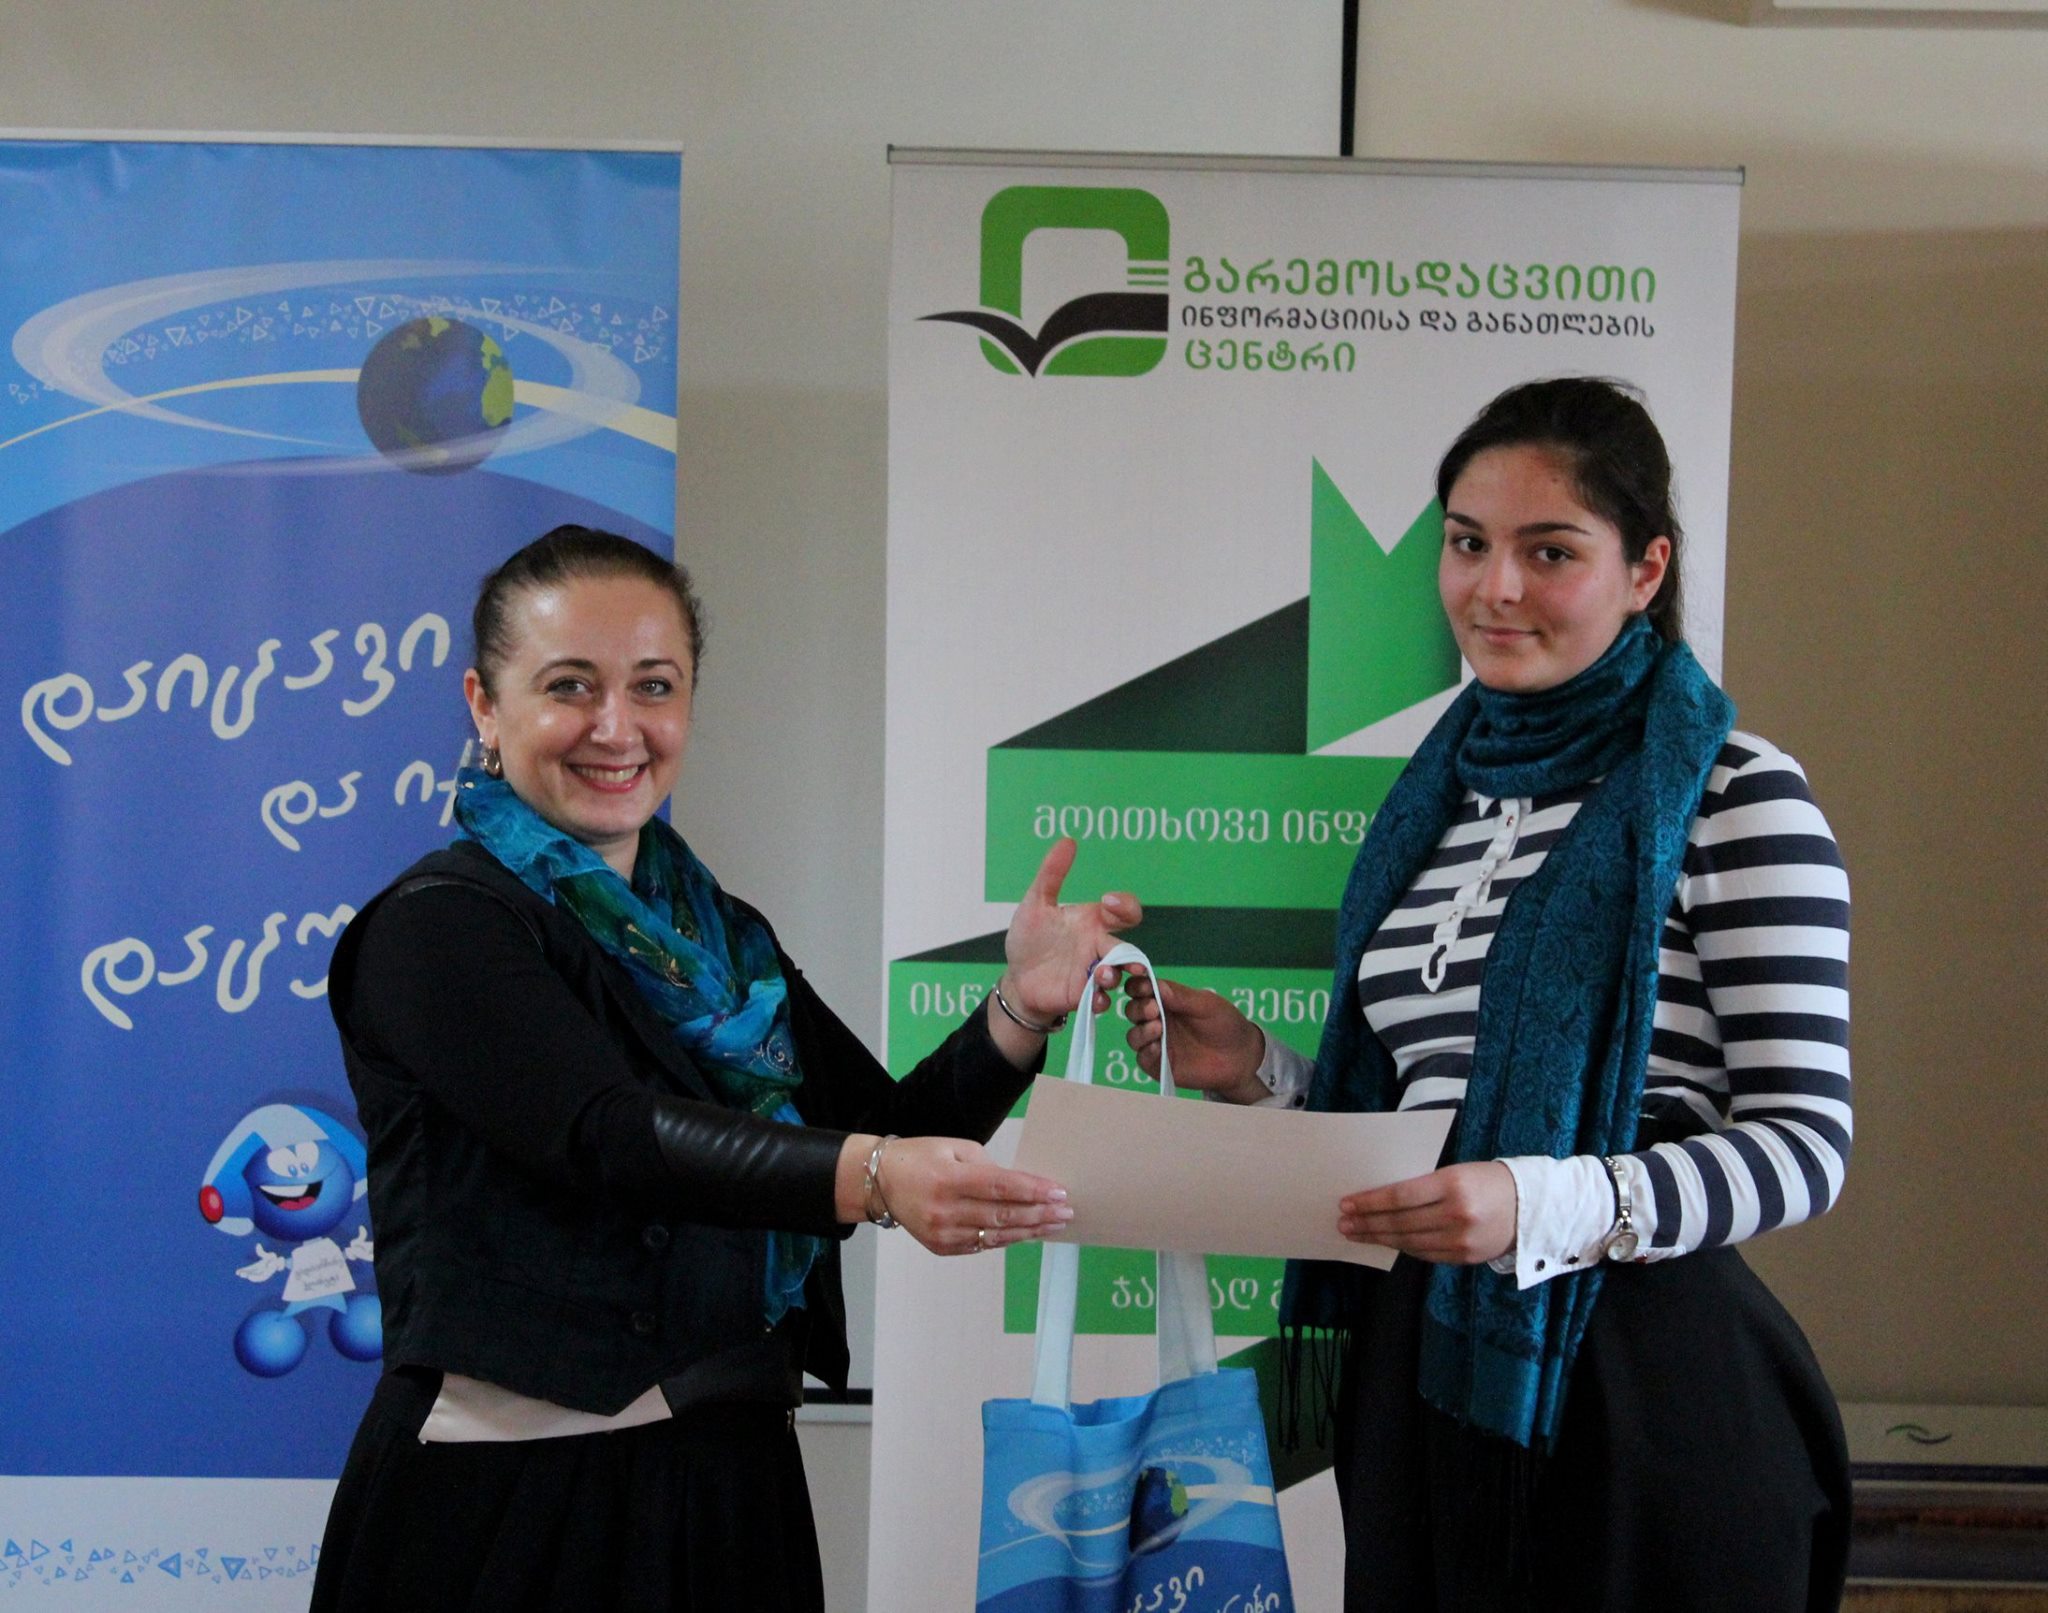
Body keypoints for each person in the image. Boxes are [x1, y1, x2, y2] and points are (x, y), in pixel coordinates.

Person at [1123, 378, 1852, 1612]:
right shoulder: (1438, 800)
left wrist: (1540, 1200)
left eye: (1548, 550)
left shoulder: (1734, 791)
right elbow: (1429, 1128)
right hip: (1425, 1376)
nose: (1492, 586)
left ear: (1643, 568)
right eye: (1466, 542)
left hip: (1640, 1391)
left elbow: (1806, 1145)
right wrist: (1257, 1071)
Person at [310, 525, 1135, 1612]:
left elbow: (887, 1125)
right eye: (569, 685)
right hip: (515, 1503)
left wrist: (1020, 1006)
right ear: (484, 704)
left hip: (729, 1484)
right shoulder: (439, 925)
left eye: (654, 686)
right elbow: (607, 1132)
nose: (617, 727)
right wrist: (874, 1175)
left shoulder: (723, 943)